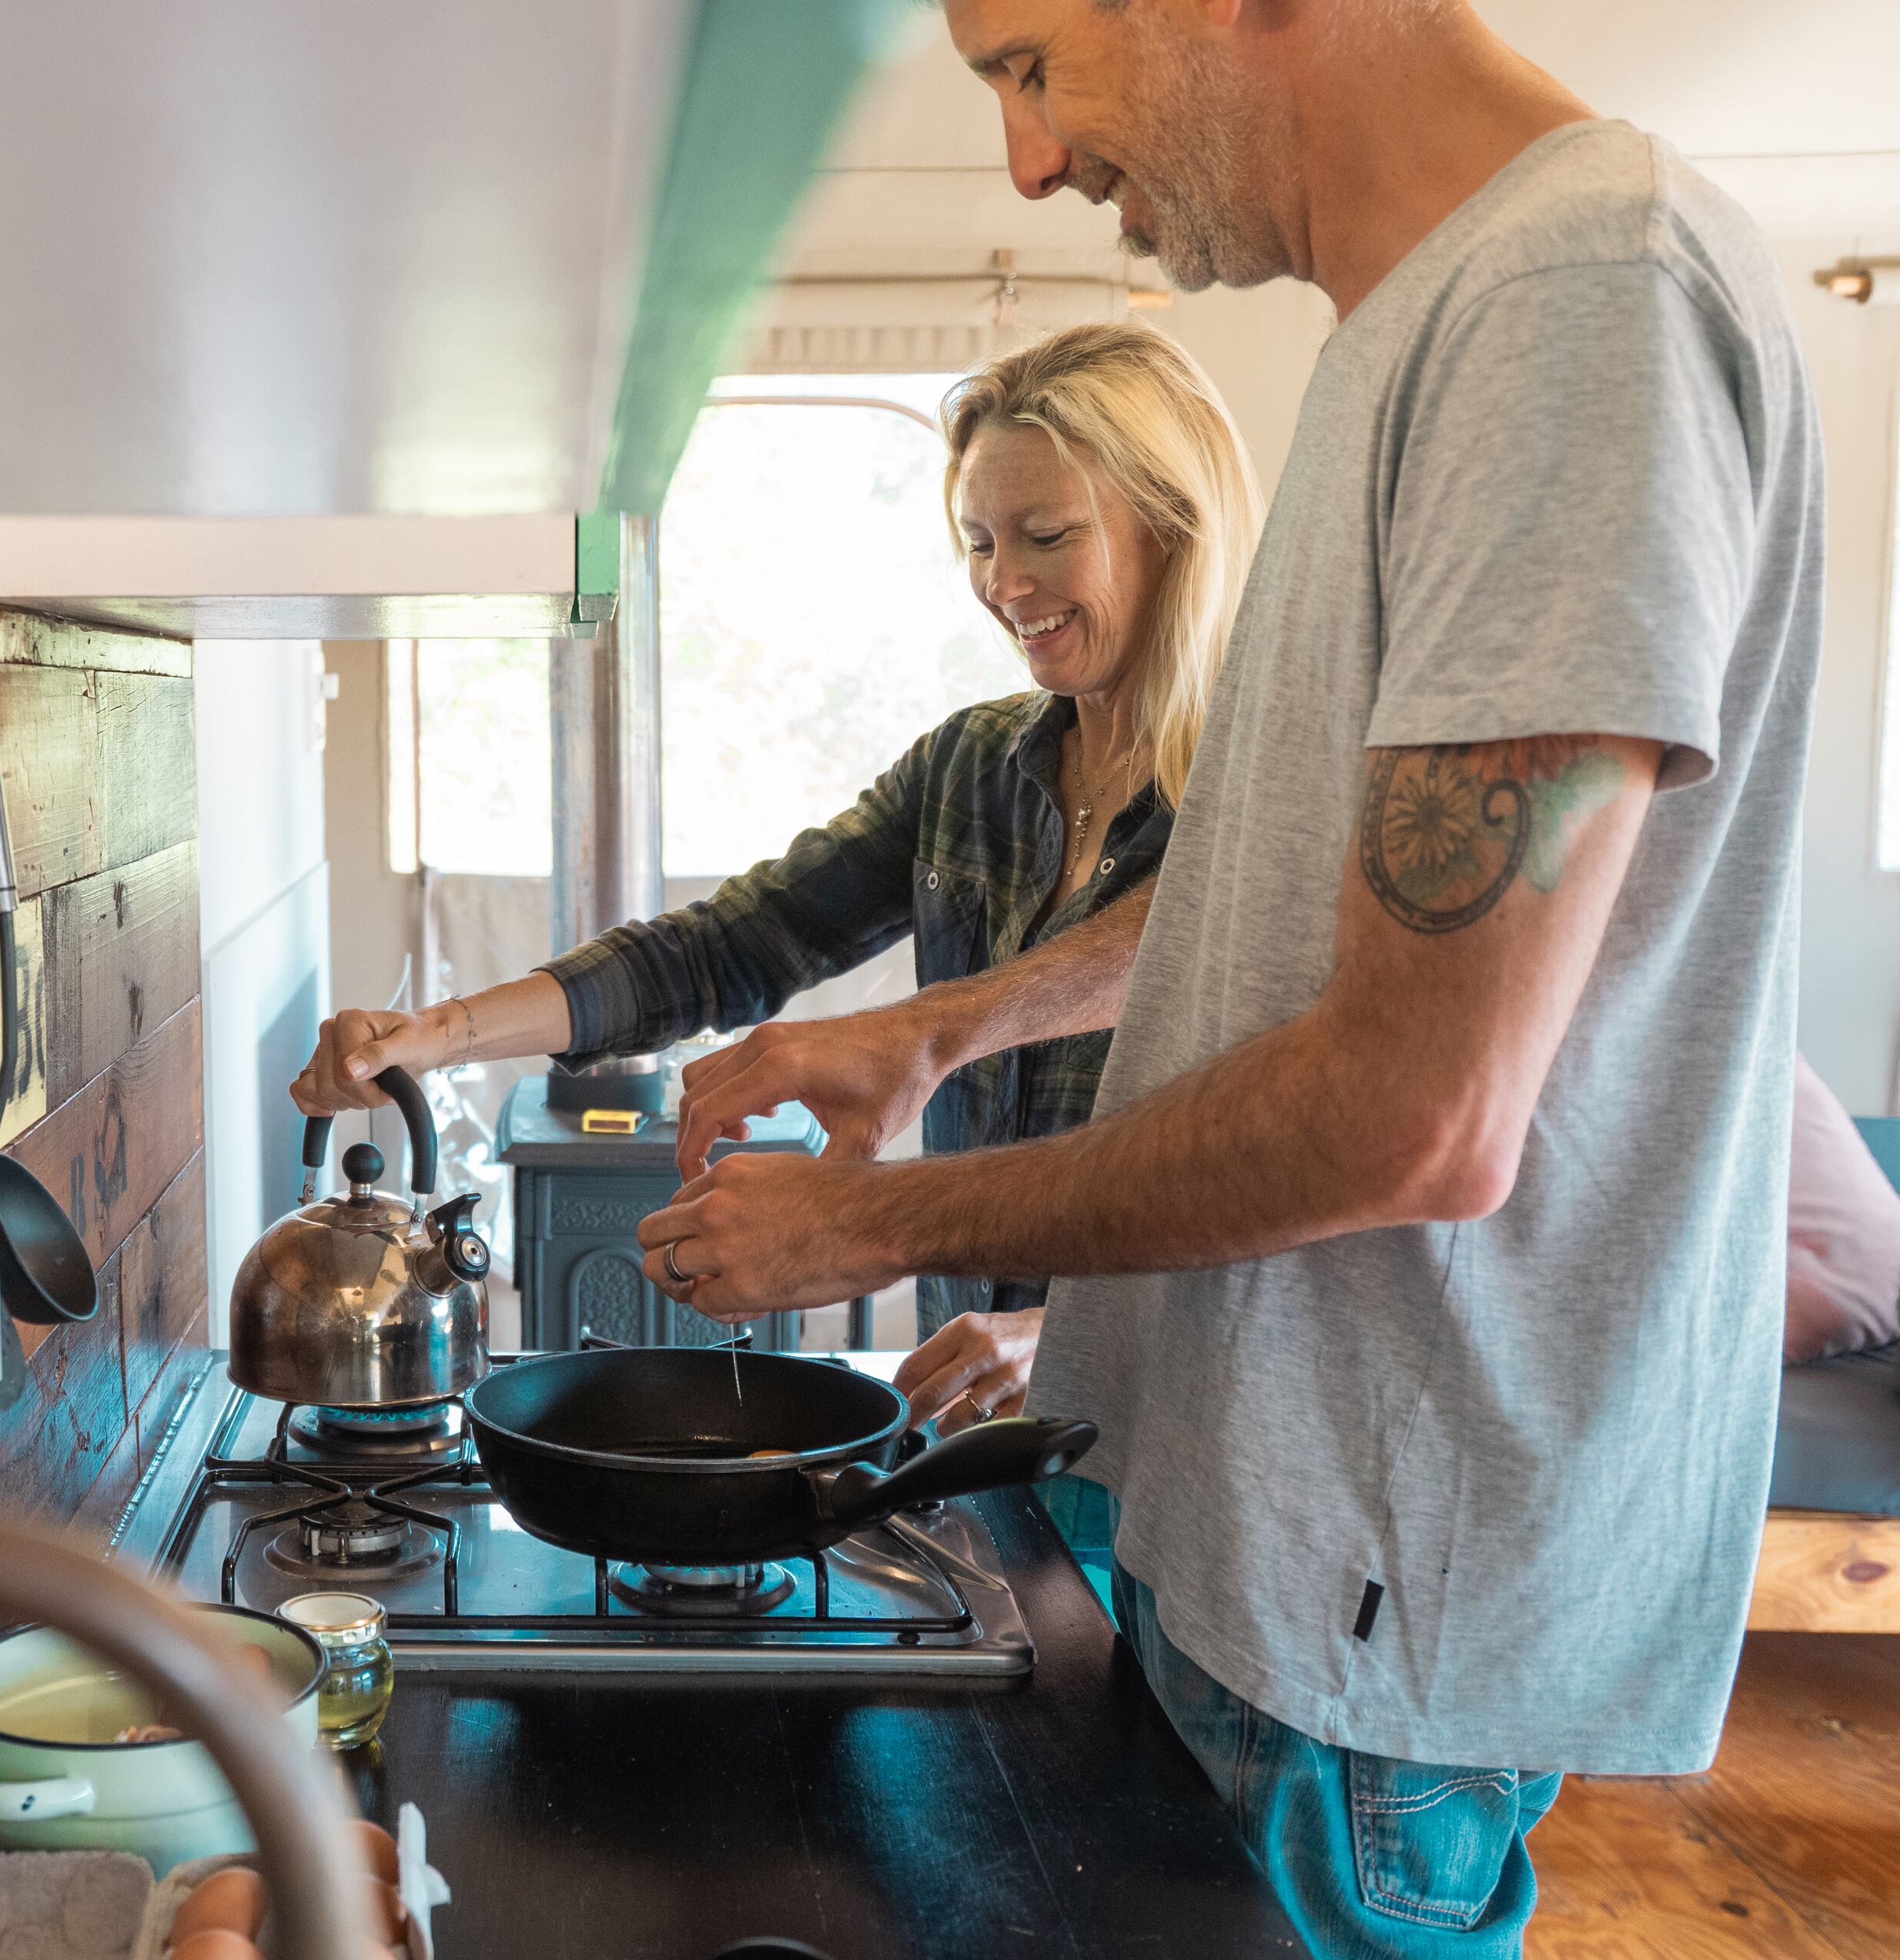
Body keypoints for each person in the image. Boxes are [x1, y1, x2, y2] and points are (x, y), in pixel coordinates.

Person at [637, 2, 1823, 1956]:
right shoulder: (1424, 320)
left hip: (1367, 1584)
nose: (1027, 164)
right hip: (1270, 1539)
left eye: (1029, 63)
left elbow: (1416, 1111)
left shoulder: (1573, 296)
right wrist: (951, 1019)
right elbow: (1310, 918)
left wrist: (873, 1216)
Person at [289, 321, 1260, 1358]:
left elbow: (1279, 1175)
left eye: (1047, 536)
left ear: (1171, 525)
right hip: (968, 1425)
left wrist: (1047, 1334)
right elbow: (729, 947)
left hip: (1167, 1434)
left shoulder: (1273, 788)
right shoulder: (970, 769)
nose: (1003, 584)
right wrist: (441, 1035)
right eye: (980, 542)